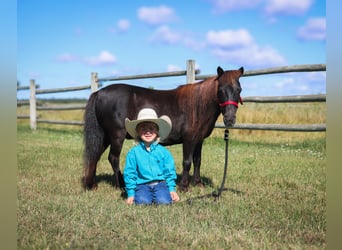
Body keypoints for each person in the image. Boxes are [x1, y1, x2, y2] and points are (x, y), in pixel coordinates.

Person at [123, 108, 180, 205]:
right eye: (144, 129)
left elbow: (169, 171)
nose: (148, 132)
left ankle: (160, 194)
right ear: (137, 131)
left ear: (157, 131)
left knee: (164, 202)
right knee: (142, 202)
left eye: (151, 128)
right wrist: (131, 193)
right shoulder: (133, 153)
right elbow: (130, 173)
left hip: (160, 183)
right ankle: (144, 196)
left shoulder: (163, 152)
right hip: (141, 184)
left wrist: (171, 189)